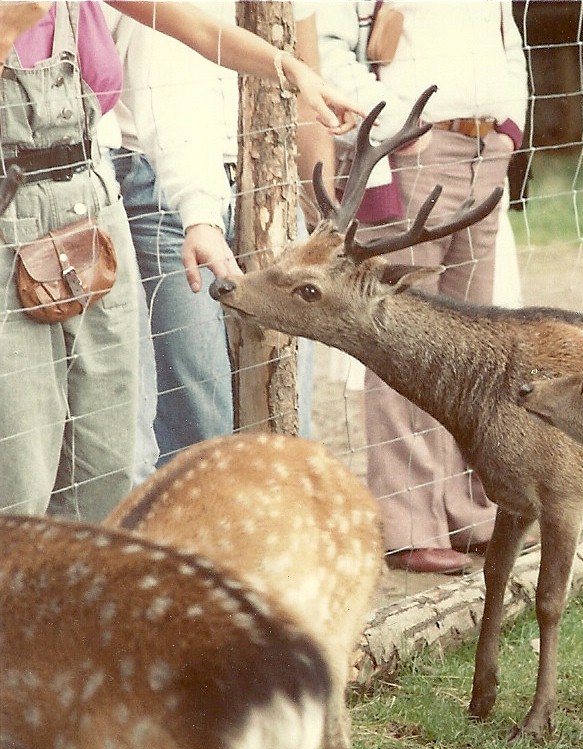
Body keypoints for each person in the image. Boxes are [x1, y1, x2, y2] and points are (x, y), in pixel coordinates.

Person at [0, 0, 360, 521]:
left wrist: (290, 68)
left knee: (110, 458)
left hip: (95, 215)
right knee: (20, 463)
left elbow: (194, 30)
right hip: (11, 218)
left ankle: (87, 596)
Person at [312, 0, 528, 574]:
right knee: (405, 335)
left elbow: (504, 35)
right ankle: (410, 524)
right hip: (414, 154)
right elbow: (326, 46)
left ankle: (467, 508)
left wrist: (509, 124)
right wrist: (395, 126)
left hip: (485, 150)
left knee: (473, 340)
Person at [105, 3, 329, 478]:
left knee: (287, 406)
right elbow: (173, 66)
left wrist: (323, 200)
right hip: (159, 179)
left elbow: (307, 76)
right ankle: (194, 548)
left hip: (269, 178)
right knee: (198, 419)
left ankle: (268, 545)